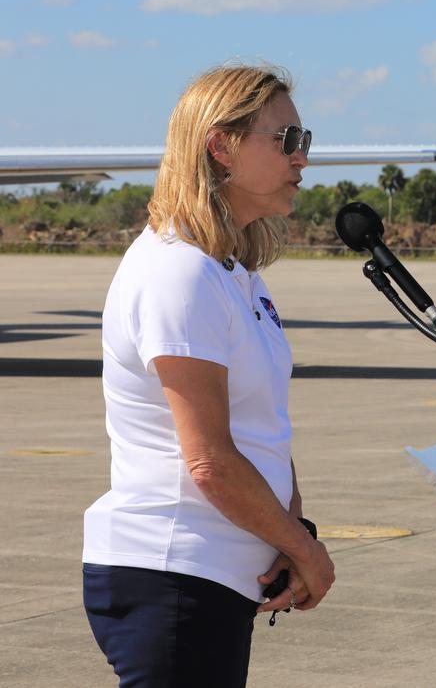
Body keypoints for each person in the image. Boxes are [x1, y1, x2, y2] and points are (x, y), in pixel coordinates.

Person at [82, 65, 335, 686]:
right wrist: (307, 552)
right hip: (173, 573)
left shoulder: (232, 272)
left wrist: (291, 530)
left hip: (217, 574)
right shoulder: (179, 274)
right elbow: (210, 461)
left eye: (306, 140)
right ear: (221, 147)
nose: (303, 159)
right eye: (287, 141)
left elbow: (262, 425)